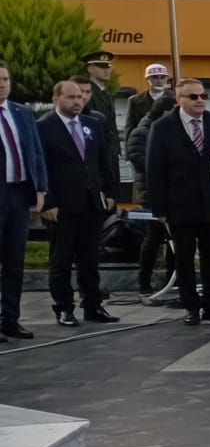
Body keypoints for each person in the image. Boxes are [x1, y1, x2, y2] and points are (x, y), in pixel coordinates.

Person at [37, 78, 120, 328]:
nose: (78, 101)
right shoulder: (44, 127)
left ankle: (93, 305)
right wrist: (48, 202)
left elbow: (102, 160)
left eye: (81, 97)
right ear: (56, 99)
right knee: (61, 259)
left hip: (91, 201)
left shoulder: (92, 123)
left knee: (90, 258)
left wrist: (110, 191)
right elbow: (41, 167)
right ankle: (63, 307)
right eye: (71, 97)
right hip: (61, 205)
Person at [146, 78, 210, 326]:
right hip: (179, 203)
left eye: (203, 95)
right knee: (184, 257)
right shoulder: (163, 127)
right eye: (193, 97)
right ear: (179, 99)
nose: (200, 100)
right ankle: (190, 305)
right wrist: (159, 208)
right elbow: (155, 169)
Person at [0, 63, 49, 340]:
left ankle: (10, 318)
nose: (2, 84)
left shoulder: (22, 112)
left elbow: (36, 153)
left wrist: (40, 189)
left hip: (19, 194)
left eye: (6, 79)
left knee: (14, 260)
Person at [126, 64, 177, 302]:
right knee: (153, 236)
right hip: (150, 193)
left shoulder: (164, 129)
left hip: (171, 191)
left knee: (175, 239)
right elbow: (138, 159)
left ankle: (172, 279)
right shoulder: (142, 132)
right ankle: (143, 282)